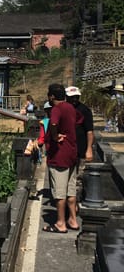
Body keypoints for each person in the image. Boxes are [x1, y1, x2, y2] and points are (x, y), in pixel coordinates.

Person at [29, 84, 84, 232]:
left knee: (60, 193)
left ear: (52, 96)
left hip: (59, 154)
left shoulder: (57, 109)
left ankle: (61, 223)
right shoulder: (71, 108)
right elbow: (79, 120)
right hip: (72, 152)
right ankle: (73, 219)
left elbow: (53, 123)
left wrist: (54, 135)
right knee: (71, 190)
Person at [69, 85, 96, 161]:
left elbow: (89, 131)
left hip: (80, 145)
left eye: (76, 97)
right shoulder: (62, 109)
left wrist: (89, 149)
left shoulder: (84, 110)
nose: (74, 99)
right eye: (72, 97)